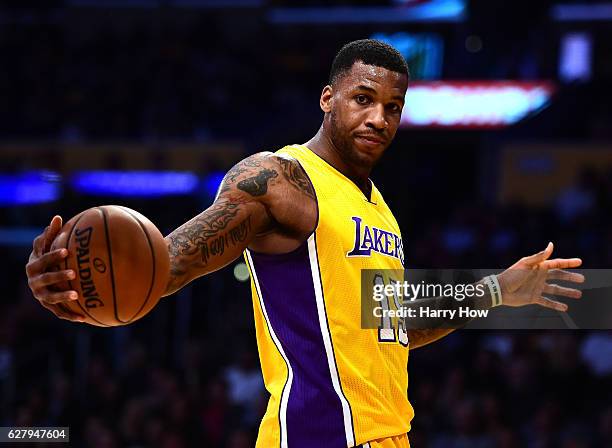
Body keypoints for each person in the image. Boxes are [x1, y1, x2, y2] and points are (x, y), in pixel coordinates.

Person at [25, 40, 584, 448]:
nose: (379, 118)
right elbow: (168, 264)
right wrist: (78, 283)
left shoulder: (377, 208)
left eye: (393, 107)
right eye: (363, 98)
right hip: (321, 436)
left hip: (390, 435)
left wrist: (495, 291)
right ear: (327, 97)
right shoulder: (279, 179)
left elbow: (392, 326)